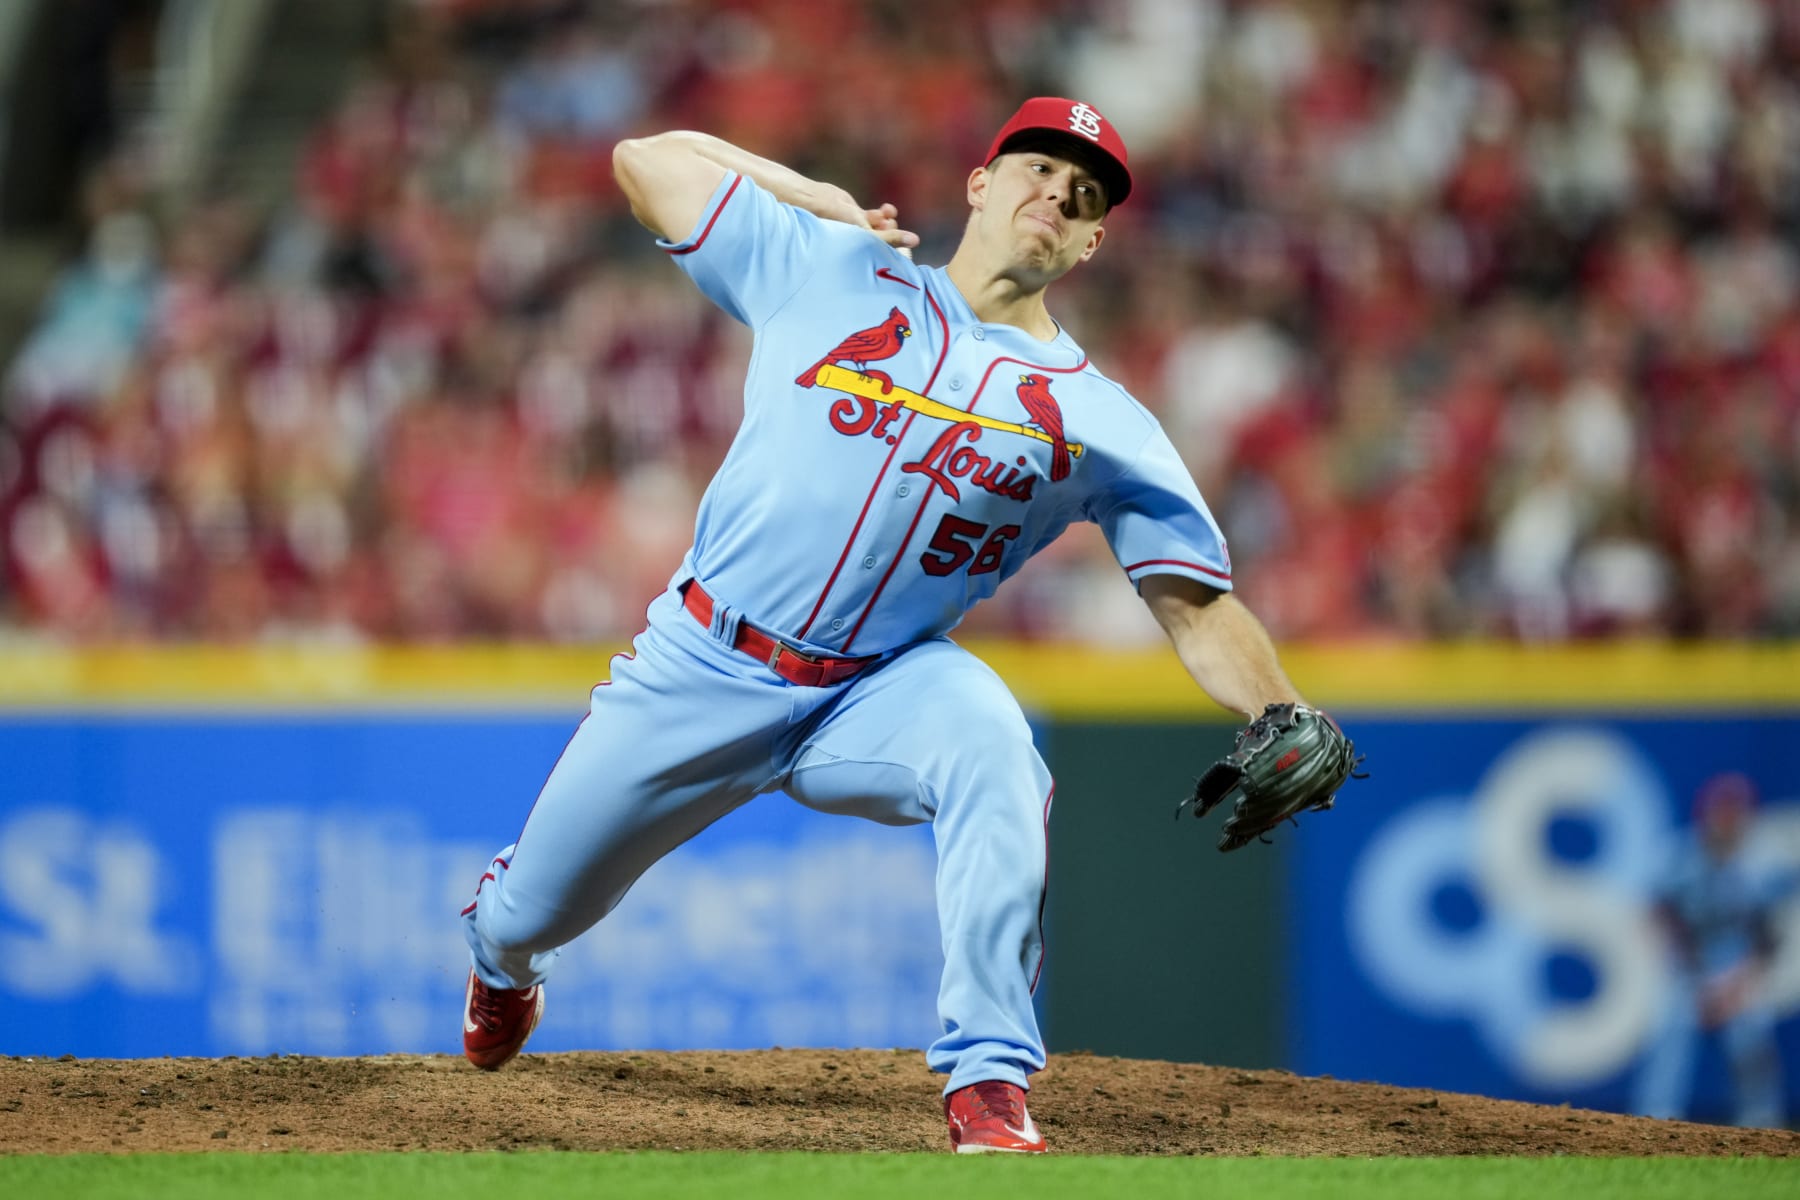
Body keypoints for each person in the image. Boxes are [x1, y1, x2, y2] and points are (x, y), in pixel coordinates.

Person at [459, 97, 1321, 1153]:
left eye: (1083, 196)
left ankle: (990, 1081)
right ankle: (506, 971)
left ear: (1093, 242)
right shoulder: (830, 268)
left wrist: (1282, 707)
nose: (1056, 194)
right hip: (702, 661)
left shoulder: (1103, 421)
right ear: (981, 183)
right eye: (1038, 170)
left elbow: (1195, 603)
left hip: (880, 686)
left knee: (997, 748)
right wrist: (805, 190)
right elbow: (644, 160)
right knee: (524, 916)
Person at [1633, 772, 1792, 1128]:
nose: (1729, 822)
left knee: (1750, 1038)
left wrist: (1737, 983)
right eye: (1722, 813)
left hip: (1736, 967)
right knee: (1671, 1035)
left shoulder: (1760, 864)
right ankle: (1653, 1123)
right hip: (1688, 968)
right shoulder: (1680, 856)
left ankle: (1761, 1124)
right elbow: (1656, 913)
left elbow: (1769, 937)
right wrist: (1684, 967)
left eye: (1736, 814)